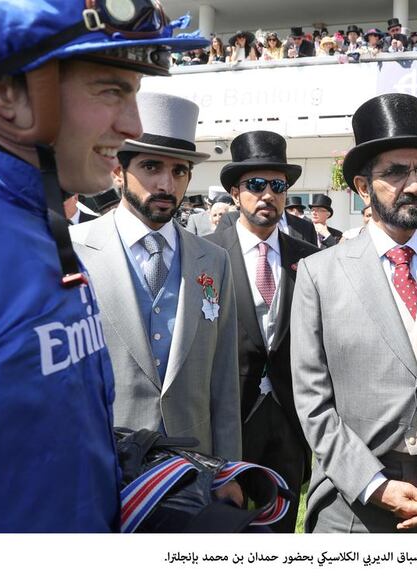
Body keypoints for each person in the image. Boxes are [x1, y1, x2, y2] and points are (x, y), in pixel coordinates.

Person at [0, 0, 207, 532]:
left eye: (134, 93)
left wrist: (135, 470)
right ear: (8, 95)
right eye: (111, 89)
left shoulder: (38, 228)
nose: (132, 124)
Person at [291, 93, 417, 533]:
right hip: (354, 506)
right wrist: (373, 485)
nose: (415, 185)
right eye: (396, 172)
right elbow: (312, 401)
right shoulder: (318, 275)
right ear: (363, 188)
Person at [70, 93, 243, 506]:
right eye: (151, 167)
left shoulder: (213, 260)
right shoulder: (73, 250)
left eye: (179, 171)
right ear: (117, 170)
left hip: (192, 473)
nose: (167, 184)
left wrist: (227, 469)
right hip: (99, 469)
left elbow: (223, 378)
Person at [207, 130, 319, 532]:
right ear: (235, 193)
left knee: (282, 521)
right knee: (228, 527)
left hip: (289, 415)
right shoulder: (205, 252)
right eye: (255, 185)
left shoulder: (308, 259)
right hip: (229, 418)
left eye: (278, 185)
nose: (267, 194)